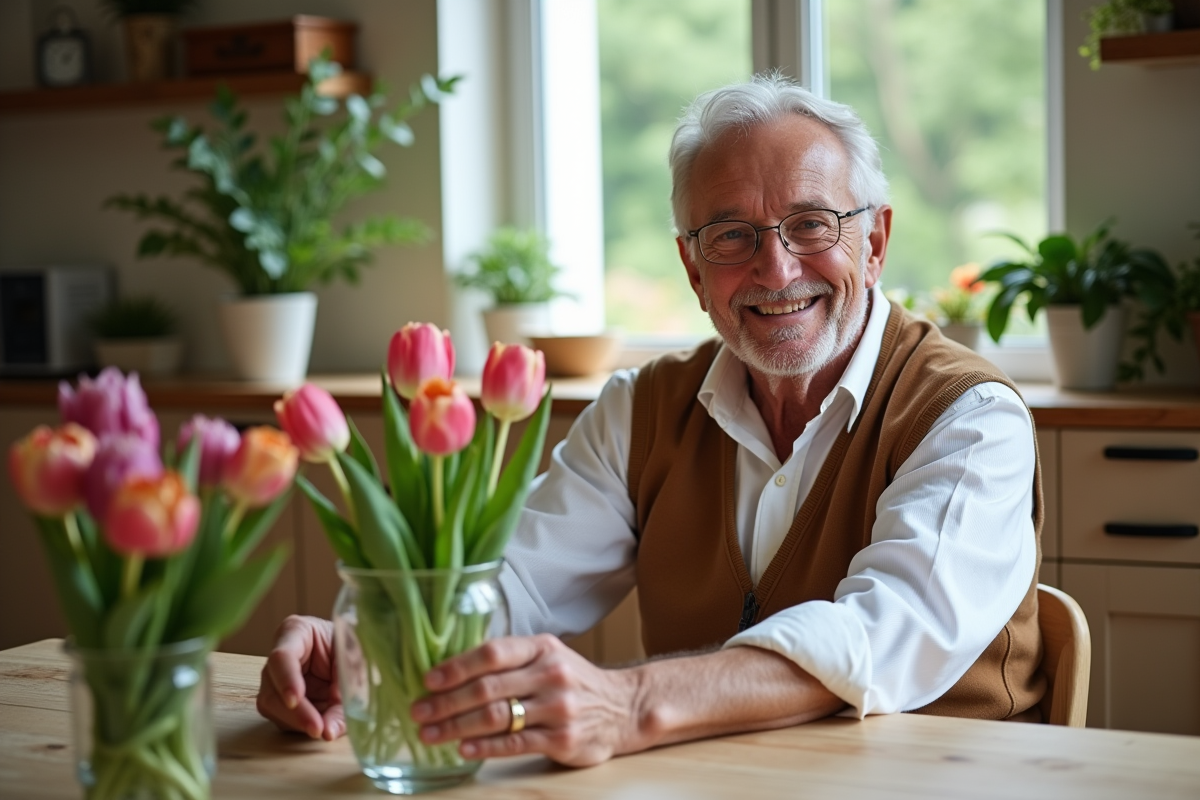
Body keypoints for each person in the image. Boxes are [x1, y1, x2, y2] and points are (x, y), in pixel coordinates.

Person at [256, 74, 1043, 767]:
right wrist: (373, 644)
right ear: (693, 269)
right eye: (732, 235)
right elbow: (516, 582)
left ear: (874, 242)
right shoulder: (640, 411)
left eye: (811, 224)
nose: (776, 268)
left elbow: (882, 634)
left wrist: (628, 704)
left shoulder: (967, 416)